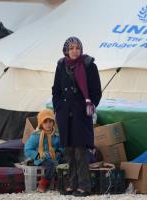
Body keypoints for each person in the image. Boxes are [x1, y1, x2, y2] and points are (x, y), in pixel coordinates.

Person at [52, 36, 102, 197]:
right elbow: (56, 89)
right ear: (66, 50)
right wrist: (58, 107)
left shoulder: (89, 65)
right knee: (68, 150)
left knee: (80, 150)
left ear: (81, 49)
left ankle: (84, 186)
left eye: (77, 48)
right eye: (71, 48)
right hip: (65, 113)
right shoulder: (61, 65)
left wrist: (90, 104)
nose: (74, 51)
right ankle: (72, 184)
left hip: (81, 113)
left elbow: (96, 91)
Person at [24, 108, 63, 193]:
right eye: (45, 122)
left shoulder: (56, 134)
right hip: (41, 158)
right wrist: (38, 155)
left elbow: (61, 146)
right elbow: (27, 149)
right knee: (51, 164)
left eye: (50, 121)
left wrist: (59, 153)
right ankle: (43, 183)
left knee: (67, 161)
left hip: (54, 156)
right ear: (41, 123)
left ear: (53, 122)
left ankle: (62, 183)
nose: (48, 124)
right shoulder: (36, 135)